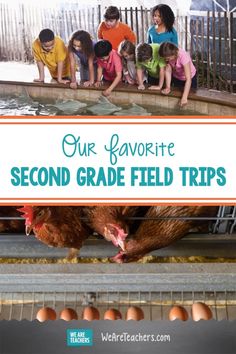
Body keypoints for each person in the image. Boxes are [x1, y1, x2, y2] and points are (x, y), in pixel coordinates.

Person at [159, 42, 197, 107]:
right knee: (177, 93)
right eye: (165, 58)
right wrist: (168, 87)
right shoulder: (167, 56)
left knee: (190, 95)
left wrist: (184, 97)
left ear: (174, 54)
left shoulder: (183, 56)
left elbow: (188, 79)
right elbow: (168, 70)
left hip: (189, 78)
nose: (166, 60)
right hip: (177, 77)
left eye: (168, 58)